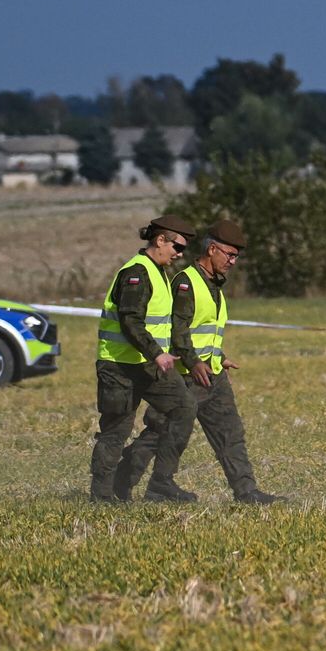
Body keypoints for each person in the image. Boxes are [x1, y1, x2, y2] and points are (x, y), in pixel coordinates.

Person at [117, 220, 283, 504]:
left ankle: (247, 492)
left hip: (212, 374)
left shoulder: (214, 285)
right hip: (186, 375)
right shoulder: (186, 282)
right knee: (160, 432)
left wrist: (219, 357)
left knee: (230, 434)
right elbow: (178, 329)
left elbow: (204, 331)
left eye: (236, 257)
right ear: (212, 249)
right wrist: (193, 362)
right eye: (230, 255)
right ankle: (120, 483)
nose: (233, 261)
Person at [89, 214, 201, 502]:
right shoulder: (136, 274)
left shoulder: (158, 272)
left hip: (148, 365)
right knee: (116, 431)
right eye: (177, 247)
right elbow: (131, 321)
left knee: (184, 408)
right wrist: (157, 353)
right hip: (119, 365)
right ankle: (102, 498)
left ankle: (160, 482)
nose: (180, 254)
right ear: (160, 240)